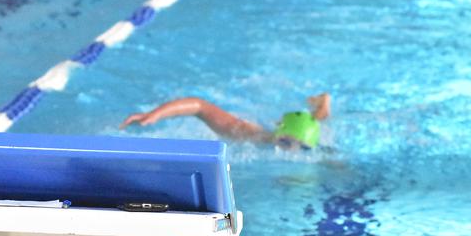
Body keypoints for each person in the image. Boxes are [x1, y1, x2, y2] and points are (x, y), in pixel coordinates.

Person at [120, 93, 331, 149]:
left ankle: (323, 106)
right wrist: (155, 114)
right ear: (276, 133)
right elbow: (200, 107)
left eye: (302, 148)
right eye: (284, 143)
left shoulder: (322, 157)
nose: (291, 151)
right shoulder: (252, 135)